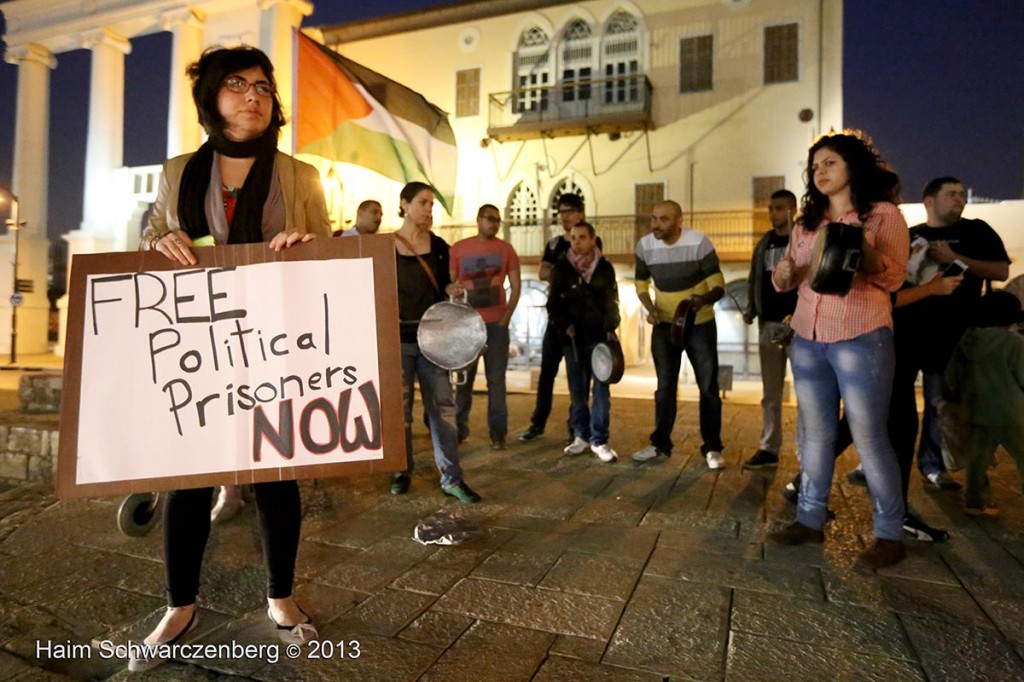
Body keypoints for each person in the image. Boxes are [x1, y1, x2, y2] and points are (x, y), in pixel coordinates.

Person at [134, 46, 330, 671]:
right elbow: (151, 239)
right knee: (187, 480)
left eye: (264, 87)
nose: (253, 95)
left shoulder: (300, 176)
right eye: (237, 84)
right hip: (197, 349)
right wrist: (158, 238)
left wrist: (307, 246)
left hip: (275, 346)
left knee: (276, 475)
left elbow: (329, 254)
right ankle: (180, 604)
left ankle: (281, 597)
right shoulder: (176, 172)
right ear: (212, 98)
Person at [768, 130, 909, 570]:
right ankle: (809, 518)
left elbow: (893, 278)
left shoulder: (883, 216)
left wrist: (860, 248)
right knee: (814, 435)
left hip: (861, 334)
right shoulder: (806, 223)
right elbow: (785, 282)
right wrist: (785, 271)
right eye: (814, 167)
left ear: (852, 166)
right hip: (808, 337)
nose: (820, 172)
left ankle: (889, 533)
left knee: (869, 435)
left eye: (829, 163)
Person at [890, 177, 1010, 490]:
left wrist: (954, 260)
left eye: (961, 195)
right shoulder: (911, 236)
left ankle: (934, 465)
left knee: (939, 401)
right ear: (929, 200)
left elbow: (1000, 271)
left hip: (953, 333)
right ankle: (884, 460)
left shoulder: (976, 230)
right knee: (895, 401)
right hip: (908, 331)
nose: (960, 200)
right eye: (951, 194)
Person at [390, 181, 481, 504]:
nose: (429, 209)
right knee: (399, 412)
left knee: (442, 409)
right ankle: (401, 471)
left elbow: (444, 286)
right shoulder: (386, 246)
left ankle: (452, 478)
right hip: (397, 341)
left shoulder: (440, 246)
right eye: (423, 202)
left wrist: (452, 292)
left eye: (432, 204)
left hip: (432, 341)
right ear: (404, 204)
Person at [631, 200, 726, 469]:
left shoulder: (699, 243)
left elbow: (719, 286)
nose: (655, 225)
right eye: (653, 219)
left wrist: (701, 300)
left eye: (663, 219)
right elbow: (641, 283)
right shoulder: (645, 246)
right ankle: (660, 443)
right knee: (664, 388)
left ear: (678, 221)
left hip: (700, 324)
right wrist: (650, 308)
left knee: (708, 388)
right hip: (664, 326)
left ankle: (713, 448)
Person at [945, 290, 1024, 516]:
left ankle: (974, 501)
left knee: (977, 460)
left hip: (976, 411)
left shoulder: (967, 340)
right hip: (1011, 412)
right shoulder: (1013, 343)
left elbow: (952, 376)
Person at [449, 204, 521, 450]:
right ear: (478, 219)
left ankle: (498, 433)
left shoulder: (506, 250)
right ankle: (459, 430)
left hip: (496, 325)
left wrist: (505, 318)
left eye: (498, 220)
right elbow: (451, 285)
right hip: (468, 326)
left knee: (496, 381)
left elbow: (516, 285)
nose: (494, 223)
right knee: (463, 381)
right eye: (490, 219)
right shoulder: (458, 249)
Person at [547, 222, 621, 462]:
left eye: (581, 237)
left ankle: (600, 440)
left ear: (592, 240)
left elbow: (612, 300)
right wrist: (564, 324)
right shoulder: (561, 268)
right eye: (573, 237)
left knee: (601, 392)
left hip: (599, 339)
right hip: (574, 341)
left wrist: (611, 326)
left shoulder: (605, 268)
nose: (576, 242)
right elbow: (554, 303)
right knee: (577, 392)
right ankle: (581, 436)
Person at [519, 193, 589, 443]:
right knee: (546, 373)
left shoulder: (590, 239)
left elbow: (586, 275)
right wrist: (565, 277)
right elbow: (542, 272)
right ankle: (538, 423)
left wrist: (559, 275)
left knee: (577, 377)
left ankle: (576, 426)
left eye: (570, 211)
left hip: (579, 321)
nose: (565, 216)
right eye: (561, 212)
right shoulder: (554, 244)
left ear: (581, 213)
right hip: (555, 318)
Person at [742, 189, 800, 469]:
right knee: (771, 393)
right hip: (769, 326)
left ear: (793, 209)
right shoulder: (764, 243)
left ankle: (806, 450)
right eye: (771, 208)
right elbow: (756, 278)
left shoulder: (802, 240)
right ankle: (769, 447)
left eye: (779, 207)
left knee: (807, 392)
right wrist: (752, 308)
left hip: (800, 327)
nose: (773, 213)